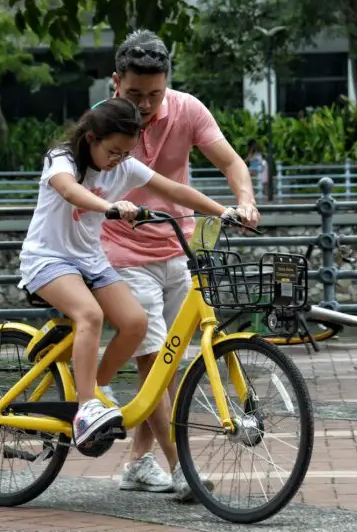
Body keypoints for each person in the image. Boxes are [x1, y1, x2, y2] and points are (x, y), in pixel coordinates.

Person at [97, 29, 261, 501]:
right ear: (115, 83)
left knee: (167, 368)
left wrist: (244, 201)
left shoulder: (188, 110)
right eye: (134, 94)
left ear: (167, 84)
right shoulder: (105, 121)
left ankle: (136, 464)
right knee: (154, 362)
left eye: (155, 94)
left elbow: (231, 161)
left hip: (178, 250)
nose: (145, 105)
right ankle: (180, 467)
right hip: (121, 254)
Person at [17, 97, 234, 452]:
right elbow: (70, 190)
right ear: (91, 138)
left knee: (136, 323)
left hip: (89, 259)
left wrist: (225, 211)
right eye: (113, 152)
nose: (118, 160)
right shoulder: (62, 158)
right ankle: (86, 408)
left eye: (125, 153)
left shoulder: (125, 166)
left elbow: (175, 190)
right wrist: (110, 206)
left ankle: (94, 387)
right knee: (90, 315)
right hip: (48, 258)